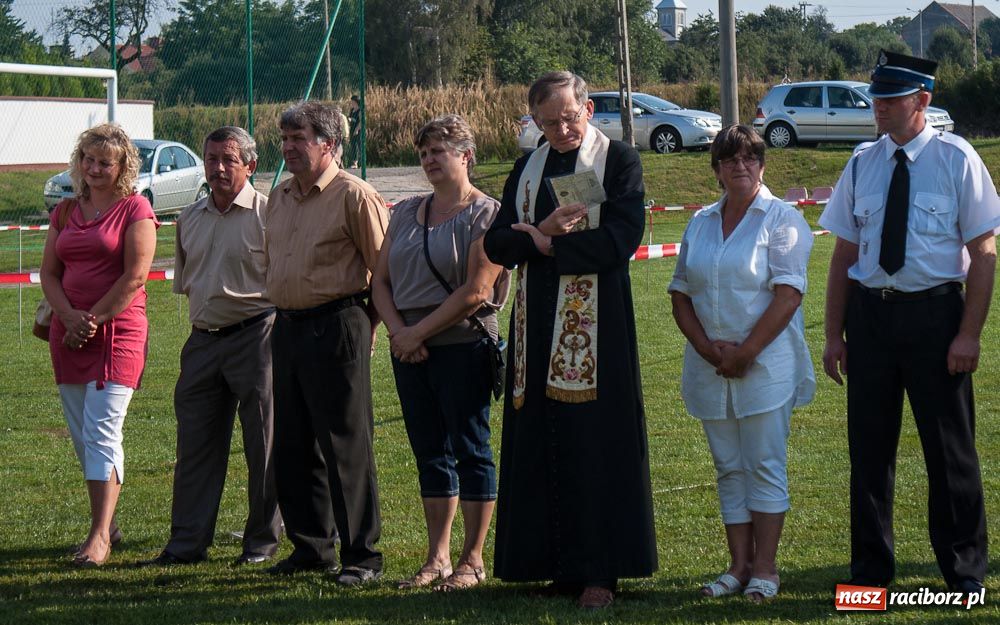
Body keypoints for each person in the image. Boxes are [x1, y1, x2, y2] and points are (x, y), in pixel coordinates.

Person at [819, 50, 1000, 594]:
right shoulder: (862, 161)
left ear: (922, 100)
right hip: (871, 319)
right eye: (876, 97)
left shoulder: (957, 159)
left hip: (935, 317)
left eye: (890, 98)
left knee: (950, 456)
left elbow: (984, 253)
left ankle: (964, 577)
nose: (878, 106)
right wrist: (833, 334)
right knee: (868, 455)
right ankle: (868, 580)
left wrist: (968, 333)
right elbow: (843, 255)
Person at [482, 71, 657, 609]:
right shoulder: (526, 168)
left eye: (570, 116)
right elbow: (496, 241)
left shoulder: (618, 160)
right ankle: (550, 565)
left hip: (597, 326)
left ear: (588, 109)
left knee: (595, 444)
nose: (562, 129)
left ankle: (601, 571)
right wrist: (541, 235)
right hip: (536, 328)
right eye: (549, 121)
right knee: (540, 437)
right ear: (533, 120)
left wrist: (547, 243)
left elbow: (621, 237)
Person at [668, 125, 815, 601]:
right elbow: (680, 294)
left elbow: (788, 295)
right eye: (730, 159)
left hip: (765, 368)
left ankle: (766, 570)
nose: (740, 166)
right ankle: (738, 566)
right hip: (711, 367)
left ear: (762, 164)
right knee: (729, 467)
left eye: (750, 158)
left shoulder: (783, 219)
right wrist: (711, 352)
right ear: (716, 169)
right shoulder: (700, 222)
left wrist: (746, 353)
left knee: (765, 464)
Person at [371, 115, 507, 592]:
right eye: (424, 152)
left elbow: (476, 290)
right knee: (430, 454)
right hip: (409, 349)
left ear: (465, 156)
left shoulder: (487, 214)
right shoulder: (406, 211)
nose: (429, 159)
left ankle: (472, 559)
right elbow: (380, 282)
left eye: (439, 151)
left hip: (463, 345)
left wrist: (416, 333)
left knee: (471, 450)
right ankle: (437, 558)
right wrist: (398, 333)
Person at [139, 126, 281, 568]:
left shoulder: (269, 215)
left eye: (229, 160)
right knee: (195, 448)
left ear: (250, 166)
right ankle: (186, 545)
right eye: (211, 158)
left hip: (258, 335)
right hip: (202, 342)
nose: (218, 168)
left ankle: (260, 543)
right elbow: (188, 284)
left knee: (264, 446)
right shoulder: (189, 218)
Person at [265, 101, 388, 586]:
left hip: (338, 325)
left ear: (329, 144)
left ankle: (363, 555)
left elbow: (384, 272)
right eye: (285, 139)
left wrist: (368, 329)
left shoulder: (355, 196)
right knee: (293, 444)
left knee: (345, 445)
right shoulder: (278, 197)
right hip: (287, 327)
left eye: (299, 139)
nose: (289, 147)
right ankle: (312, 548)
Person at [39, 123, 158, 567]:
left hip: (116, 333)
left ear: (123, 165)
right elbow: (49, 273)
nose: (94, 169)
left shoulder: (135, 208)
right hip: (67, 334)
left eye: (104, 162)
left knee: (103, 430)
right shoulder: (67, 211)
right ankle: (109, 521)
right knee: (83, 435)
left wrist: (92, 320)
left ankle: (99, 536)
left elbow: (136, 276)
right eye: (88, 160)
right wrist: (68, 318)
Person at [347, 95, 361, 169]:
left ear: (356, 102)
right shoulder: (352, 110)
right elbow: (350, 119)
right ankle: (354, 162)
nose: (351, 103)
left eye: (353, 101)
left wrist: (356, 130)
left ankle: (358, 162)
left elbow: (361, 122)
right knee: (353, 146)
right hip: (352, 129)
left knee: (358, 146)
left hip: (358, 130)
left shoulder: (360, 110)